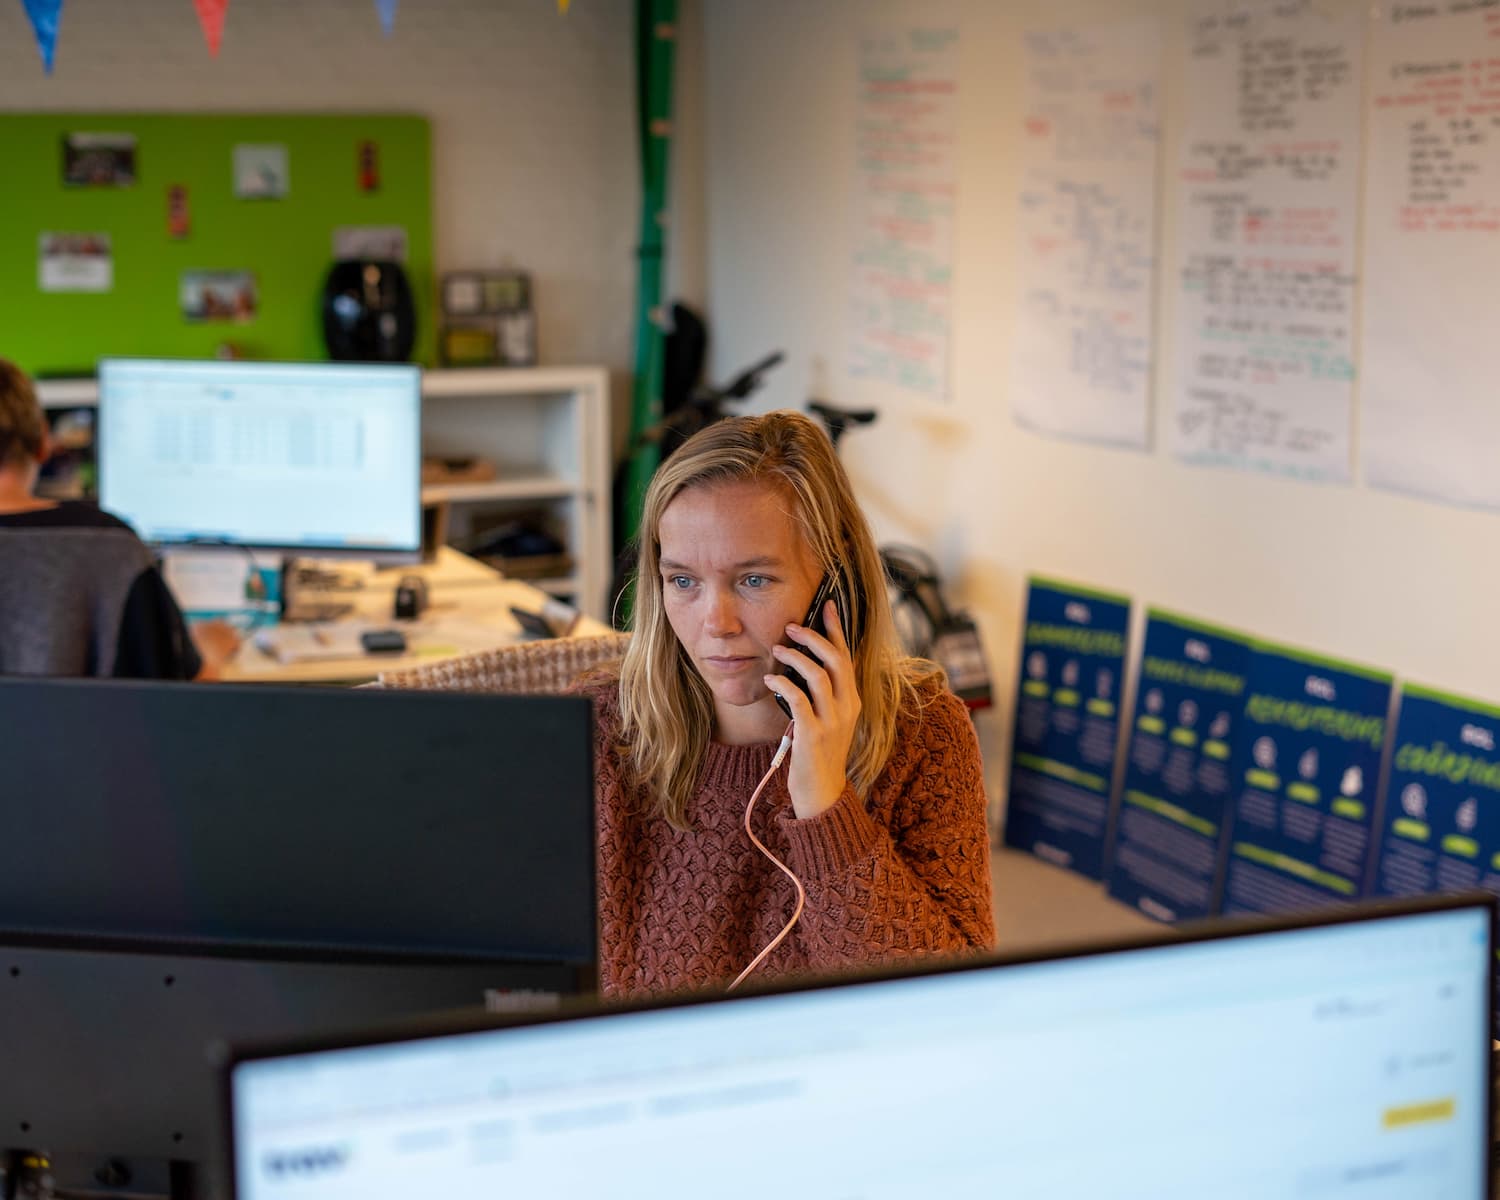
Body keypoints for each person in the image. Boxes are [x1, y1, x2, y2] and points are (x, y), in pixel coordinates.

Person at [578, 409, 995, 1000]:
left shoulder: (925, 735)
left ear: (837, 583)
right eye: (682, 581)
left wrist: (825, 802)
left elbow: (950, 1005)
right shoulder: (600, 728)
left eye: (753, 581)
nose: (714, 624)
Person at [0, 357, 238, 679]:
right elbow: (185, 697)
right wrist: (210, 651)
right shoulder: (111, 543)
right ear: (44, 442)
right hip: (81, 731)